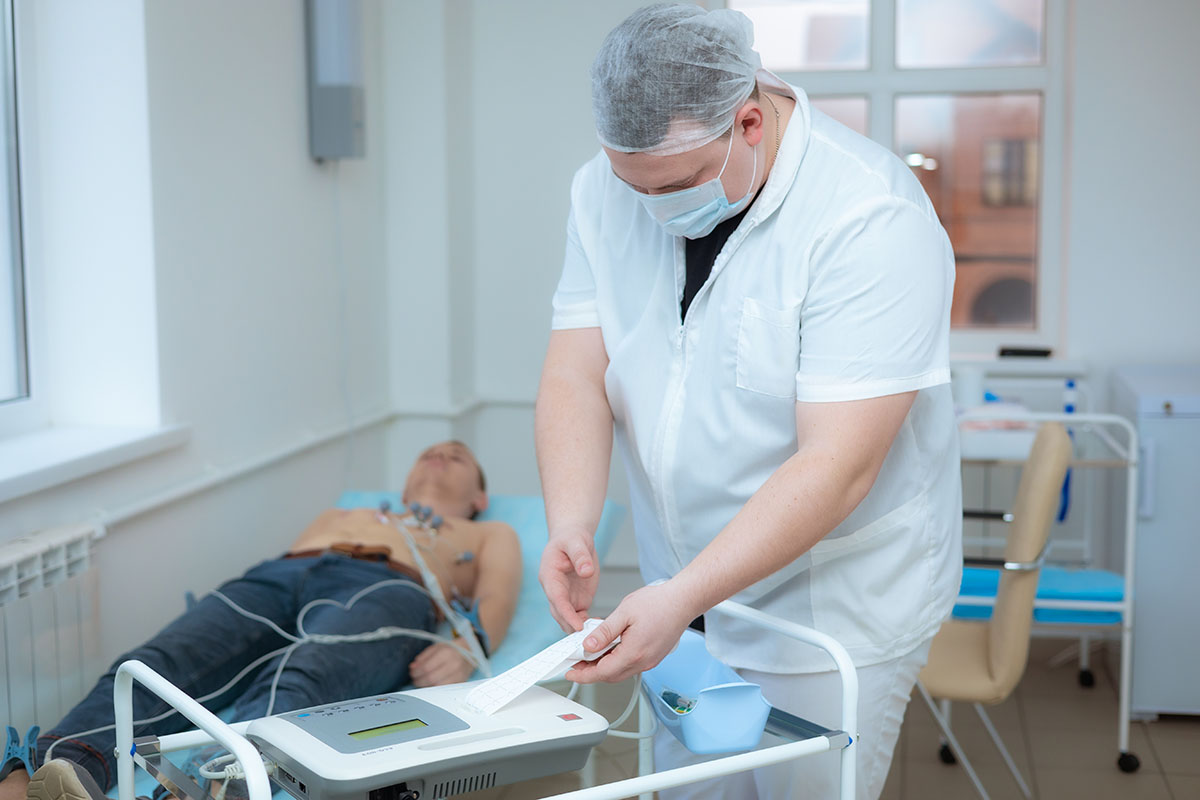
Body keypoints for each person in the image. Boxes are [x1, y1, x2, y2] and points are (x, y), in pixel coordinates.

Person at [536, 5, 961, 799]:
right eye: (634, 185)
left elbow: (837, 464)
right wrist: (570, 523)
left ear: (750, 123)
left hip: (825, 611)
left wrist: (682, 596)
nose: (653, 206)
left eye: (676, 184)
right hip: (679, 603)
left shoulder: (869, 215)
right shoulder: (602, 188)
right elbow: (576, 375)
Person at [0, 441, 520, 800]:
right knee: (158, 664)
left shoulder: (487, 532)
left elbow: (497, 596)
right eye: (430, 451)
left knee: (300, 676)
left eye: (458, 455)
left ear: (479, 498)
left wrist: (464, 646)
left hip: (390, 588)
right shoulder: (344, 514)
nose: (441, 454)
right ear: (404, 484)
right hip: (281, 576)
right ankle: (41, 777)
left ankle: (208, 788)